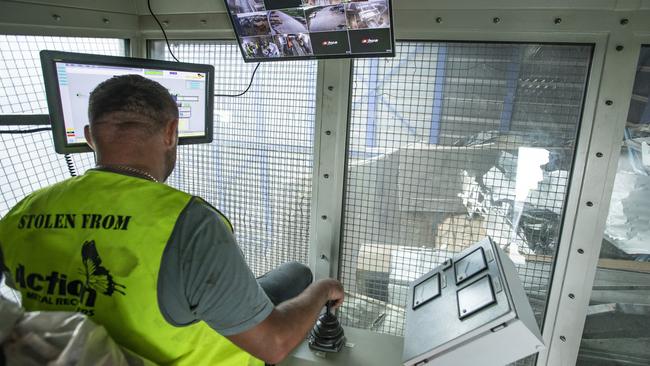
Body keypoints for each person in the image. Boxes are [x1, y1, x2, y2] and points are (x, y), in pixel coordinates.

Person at [0, 75, 344, 365]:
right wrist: (323, 290)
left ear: (90, 136)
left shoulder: (22, 211)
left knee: (291, 274)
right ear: (170, 132)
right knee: (304, 276)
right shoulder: (189, 222)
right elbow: (274, 344)